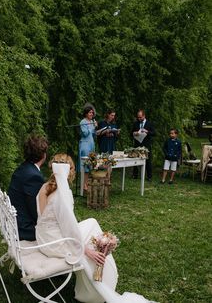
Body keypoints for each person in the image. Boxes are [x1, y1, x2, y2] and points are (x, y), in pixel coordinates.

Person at [36, 154, 157, 303]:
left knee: (92, 223)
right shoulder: (63, 193)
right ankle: (99, 281)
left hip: (44, 238)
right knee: (91, 241)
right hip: (56, 243)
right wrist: (87, 252)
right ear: (70, 171)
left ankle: (99, 264)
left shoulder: (44, 186)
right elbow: (68, 229)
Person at [8, 135, 48, 241]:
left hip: (16, 222)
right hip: (25, 229)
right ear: (43, 155)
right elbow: (37, 212)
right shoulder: (33, 176)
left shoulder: (23, 168)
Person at [131, 109, 155, 181]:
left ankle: (149, 176)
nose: (139, 119)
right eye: (138, 117)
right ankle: (135, 175)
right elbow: (131, 132)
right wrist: (134, 133)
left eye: (140, 117)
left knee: (148, 160)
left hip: (146, 145)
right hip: (137, 143)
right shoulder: (136, 123)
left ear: (144, 116)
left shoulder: (149, 123)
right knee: (135, 159)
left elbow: (154, 133)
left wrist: (147, 131)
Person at [79, 106, 97, 191]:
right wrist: (93, 126)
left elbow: (92, 134)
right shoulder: (83, 122)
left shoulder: (91, 122)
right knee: (85, 166)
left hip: (91, 144)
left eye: (92, 113)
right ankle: (83, 185)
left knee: (90, 165)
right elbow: (85, 133)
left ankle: (86, 184)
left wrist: (97, 130)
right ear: (86, 113)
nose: (91, 114)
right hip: (85, 145)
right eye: (90, 112)